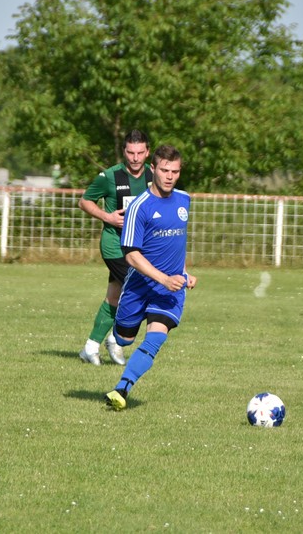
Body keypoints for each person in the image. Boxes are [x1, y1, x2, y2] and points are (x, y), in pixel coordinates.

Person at [105, 144, 197, 410]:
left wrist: (182, 273)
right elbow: (131, 255)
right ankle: (116, 336)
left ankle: (122, 389)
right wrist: (163, 278)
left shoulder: (184, 200)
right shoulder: (139, 207)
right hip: (139, 287)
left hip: (170, 290)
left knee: (155, 339)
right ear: (153, 169)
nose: (170, 176)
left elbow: (177, 244)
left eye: (175, 172)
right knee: (124, 339)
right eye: (165, 170)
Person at [77, 130, 152, 366]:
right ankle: (116, 339)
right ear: (124, 152)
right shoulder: (110, 176)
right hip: (115, 247)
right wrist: (107, 217)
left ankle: (90, 348)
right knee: (144, 291)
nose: (135, 158)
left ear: (147, 152)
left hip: (139, 248)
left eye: (140, 153)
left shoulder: (154, 175)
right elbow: (84, 201)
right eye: (130, 152)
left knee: (115, 296)